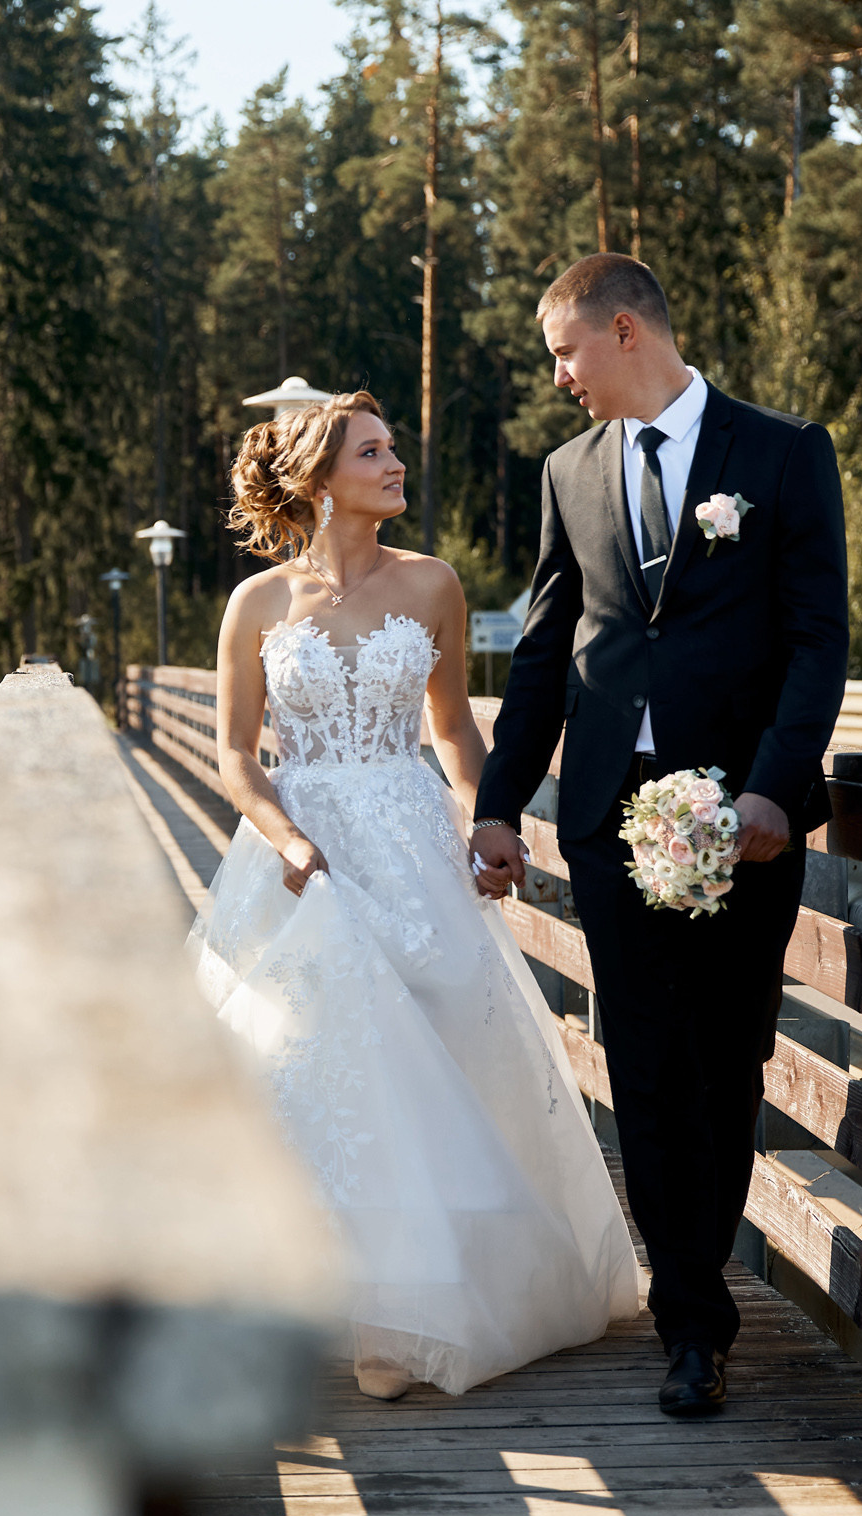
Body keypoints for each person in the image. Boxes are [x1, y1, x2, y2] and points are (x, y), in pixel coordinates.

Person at [190, 388, 641, 1402]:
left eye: (392, 448)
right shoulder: (255, 604)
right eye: (371, 451)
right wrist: (289, 840)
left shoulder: (432, 583)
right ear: (318, 479)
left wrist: (490, 820)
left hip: (409, 840)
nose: (396, 464)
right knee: (322, 1062)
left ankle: (414, 1305)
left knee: (435, 1054)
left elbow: (451, 729)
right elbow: (235, 755)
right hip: (304, 852)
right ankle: (355, 1312)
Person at [470, 254, 849, 1417]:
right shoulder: (568, 471)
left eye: (565, 353)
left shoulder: (781, 454)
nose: (560, 378)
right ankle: (690, 1319)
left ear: (624, 330)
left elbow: (816, 640)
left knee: (725, 1059)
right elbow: (546, 652)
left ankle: (694, 1285)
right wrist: (498, 801)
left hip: (741, 823)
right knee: (641, 1061)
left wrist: (774, 790)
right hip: (606, 817)